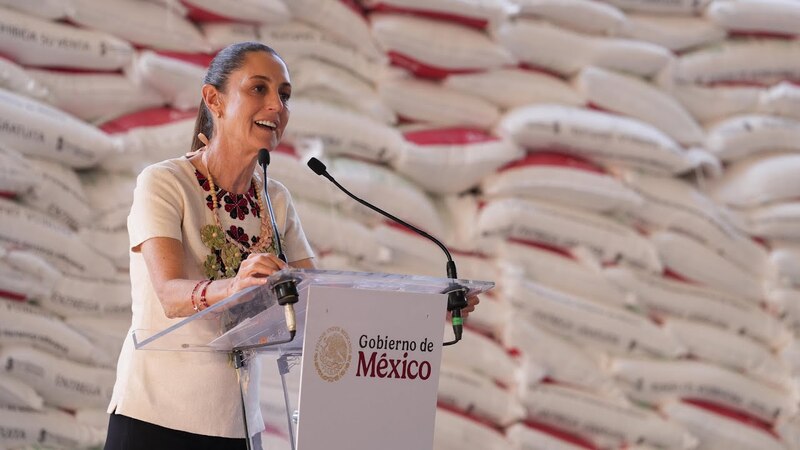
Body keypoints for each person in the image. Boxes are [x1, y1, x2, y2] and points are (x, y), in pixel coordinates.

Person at [104, 41, 478, 450]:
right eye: (258, 89)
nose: (276, 106)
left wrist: (424, 308)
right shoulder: (165, 181)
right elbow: (169, 294)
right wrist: (235, 285)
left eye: (284, 95)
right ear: (214, 99)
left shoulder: (274, 199)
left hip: (238, 426)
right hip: (155, 419)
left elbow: (325, 302)